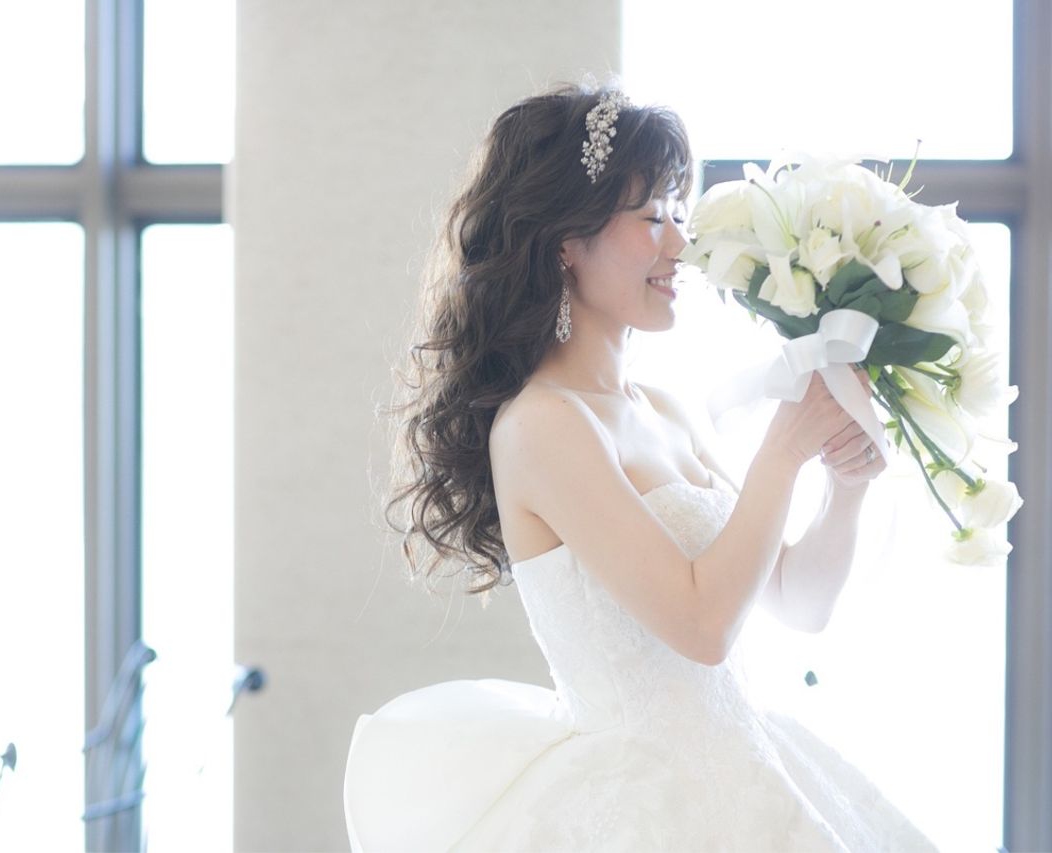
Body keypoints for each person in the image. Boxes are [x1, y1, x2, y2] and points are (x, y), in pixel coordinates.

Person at [343, 83, 937, 851]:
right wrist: (784, 448)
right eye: (653, 216)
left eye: (678, 212)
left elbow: (800, 601)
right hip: (647, 810)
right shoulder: (542, 424)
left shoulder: (665, 408)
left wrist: (843, 487)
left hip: (747, 768)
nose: (681, 243)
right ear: (566, 241)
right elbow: (701, 624)